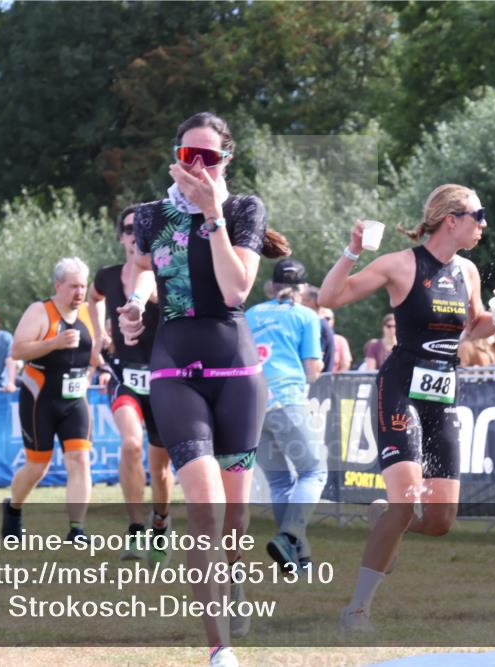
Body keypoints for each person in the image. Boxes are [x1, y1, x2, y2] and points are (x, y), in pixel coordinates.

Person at [118, 111, 289, 667]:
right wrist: (137, 302)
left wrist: (212, 213)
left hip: (235, 367)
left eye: (209, 157)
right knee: (205, 509)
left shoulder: (243, 209)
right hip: (174, 366)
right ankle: (219, 647)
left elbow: (237, 286)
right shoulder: (150, 215)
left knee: (237, 517)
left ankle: (234, 585)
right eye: (188, 155)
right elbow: (141, 268)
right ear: (175, 155)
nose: (197, 166)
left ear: (226, 160)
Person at [319, 184, 495, 632]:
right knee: (407, 500)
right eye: (478, 214)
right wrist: (352, 250)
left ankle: (385, 516)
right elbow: (330, 299)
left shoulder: (467, 271)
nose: (484, 223)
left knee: (440, 519)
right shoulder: (400, 264)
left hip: (444, 393)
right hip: (401, 389)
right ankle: (357, 609)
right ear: (452, 219)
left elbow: (472, 328)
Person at [89, 204, 175, 565]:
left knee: (159, 467)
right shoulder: (107, 276)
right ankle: (136, 529)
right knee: (129, 443)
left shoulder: (164, 273)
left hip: (161, 376)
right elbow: (92, 300)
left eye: (140, 228)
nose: (133, 233)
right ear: (122, 235)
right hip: (124, 374)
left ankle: (160, 523)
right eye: (128, 228)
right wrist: (98, 337)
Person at [3, 258, 98, 543]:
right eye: (73, 286)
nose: (79, 292)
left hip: (75, 398)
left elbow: (94, 352)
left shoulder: (88, 312)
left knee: (80, 460)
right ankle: (13, 509)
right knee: (38, 466)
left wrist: (97, 371)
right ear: (58, 285)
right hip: (40, 397)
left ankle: (77, 530)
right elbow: (18, 350)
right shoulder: (40, 311)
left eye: (83, 286)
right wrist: (53, 343)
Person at [245, 258, 325, 573]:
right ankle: (290, 536)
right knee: (314, 472)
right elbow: (312, 371)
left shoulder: (251, 314)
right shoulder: (306, 315)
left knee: (279, 482)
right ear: (302, 288)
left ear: (273, 286)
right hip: (288, 400)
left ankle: (298, 559)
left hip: (253, 407)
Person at [301, 286, 336, 373]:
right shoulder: (319, 324)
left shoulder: (317, 325)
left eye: (302, 300)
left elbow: (315, 361)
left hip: (317, 382)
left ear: (311, 302)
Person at [319, 308, 352, 372]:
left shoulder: (340, 340)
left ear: (333, 321)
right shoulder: (309, 338)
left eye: (327, 319)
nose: (324, 322)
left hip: (332, 379)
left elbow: (345, 363)